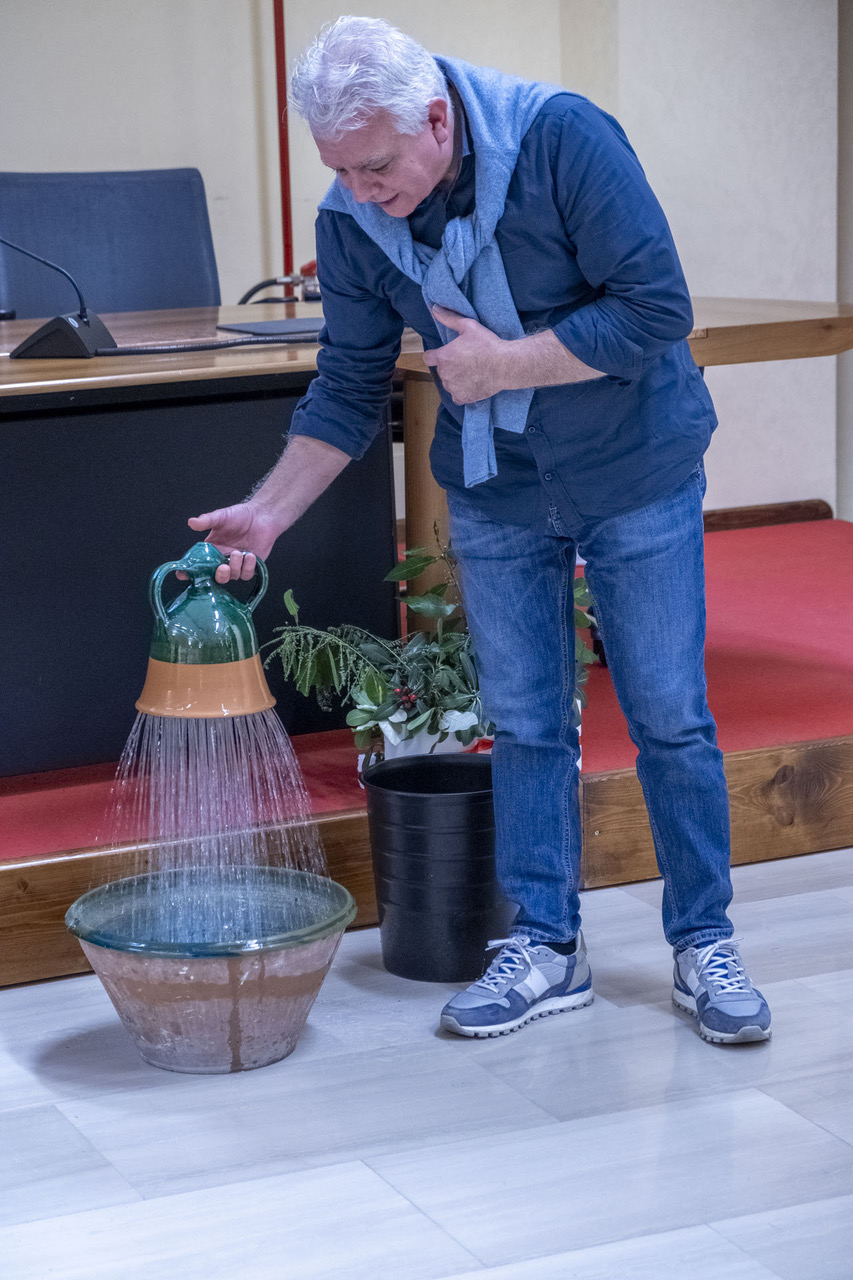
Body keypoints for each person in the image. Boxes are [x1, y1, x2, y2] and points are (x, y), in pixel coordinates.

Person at [190, 15, 771, 1045]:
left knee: (668, 714)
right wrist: (267, 512)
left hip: (633, 464)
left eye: (375, 166)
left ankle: (702, 941)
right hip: (499, 484)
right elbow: (350, 381)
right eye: (339, 170)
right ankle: (546, 945)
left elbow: (655, 309)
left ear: (435, 117)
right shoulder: (352, 216)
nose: (360, 191)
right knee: (527, 719)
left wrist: (506, 363)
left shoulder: (560, 138)